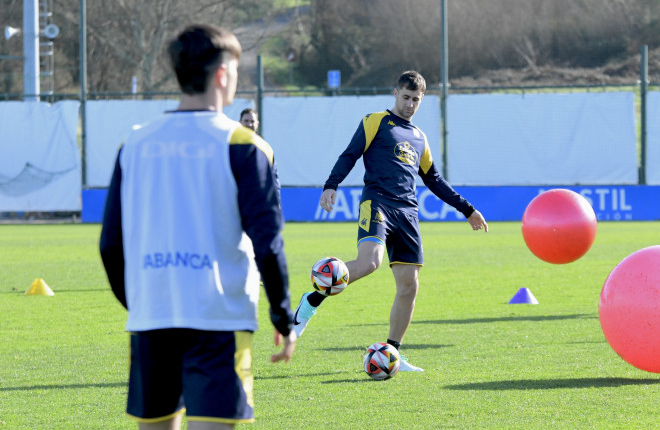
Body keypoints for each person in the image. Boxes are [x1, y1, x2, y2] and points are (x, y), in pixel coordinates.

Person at [99, 24, 296, 430]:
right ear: (223, 74)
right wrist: (282, 316)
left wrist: (140, 303)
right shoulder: (244, 145)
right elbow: (268, 242)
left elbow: (110, 244)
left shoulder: (133, 144)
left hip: (153, 318)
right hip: (219, 320)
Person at [292, 70, 488, 372]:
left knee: (409, 285)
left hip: (408, 212)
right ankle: (311, 301)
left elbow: (434, 180)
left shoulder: (420, 138)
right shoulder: (375, 121)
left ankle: (392, 352)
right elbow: (350, 154)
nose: (410, 104)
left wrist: (467, 209)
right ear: (395, 93)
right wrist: (331, 185)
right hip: (378, 202)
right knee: (371, 262)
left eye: (416, 100)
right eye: (406, 97)